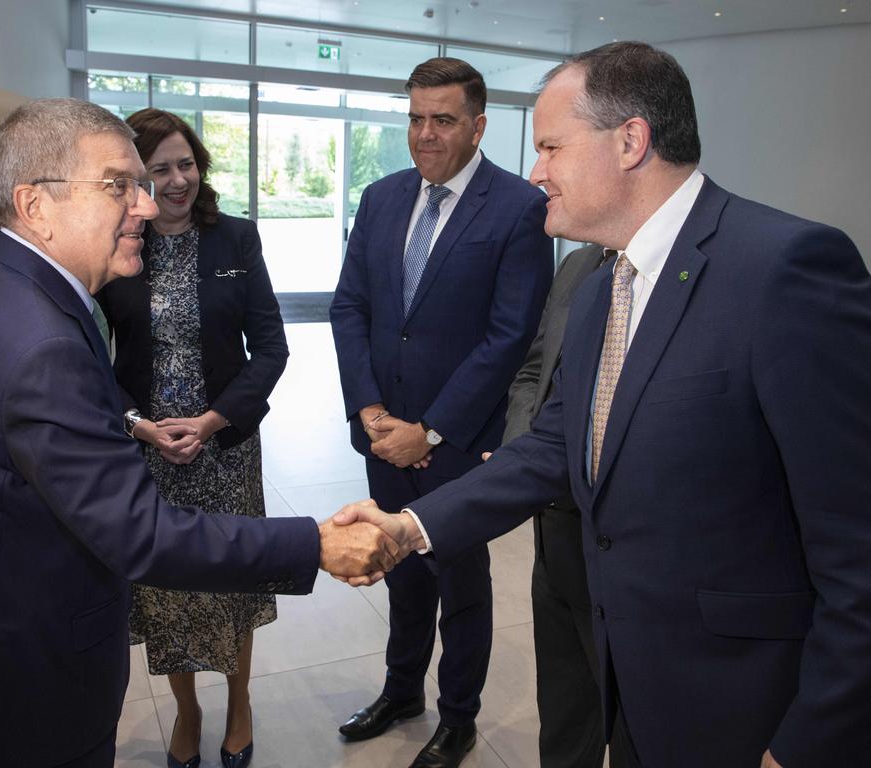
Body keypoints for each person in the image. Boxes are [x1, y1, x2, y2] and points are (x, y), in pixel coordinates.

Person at [336, 41, 871, 768]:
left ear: (630, 142)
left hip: (744, 711)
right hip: (629, 677)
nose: (536, 170)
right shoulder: (596, 291)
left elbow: (856, 551)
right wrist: (410, 528)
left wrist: (805, 744)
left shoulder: (785, 270)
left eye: (552, 146)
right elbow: (553, 448)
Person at [0, 97, 398, 768]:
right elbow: (140, 532)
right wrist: (315, 543)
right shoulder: (37, 337)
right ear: (36, 205)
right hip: (30, 673)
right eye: (119, 185)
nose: (144, 203)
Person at [329, 57, 553, 768]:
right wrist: (371, 411)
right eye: (416, 118)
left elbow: (509, 336)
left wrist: (429, 429)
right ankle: (402, 692)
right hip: (382, 432)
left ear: (478, 125)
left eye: (444, 120)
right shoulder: (382, 197)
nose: (425, 135)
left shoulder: (519, 208)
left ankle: (457, 717)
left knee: (460, 583)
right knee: (399, 571)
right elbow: (351, 308)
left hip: (456, 443)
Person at [95, 107, 287, 768]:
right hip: (149, 454)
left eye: (187, 163)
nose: (179, 179)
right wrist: (138, 425)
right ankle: (186, 709)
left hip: (224, 447)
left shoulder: (236, 239)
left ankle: (238, 704)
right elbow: (88, 358)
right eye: (160, 168)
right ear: (134, 180)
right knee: (168, 588)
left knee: (232, 581)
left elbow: (270, 348)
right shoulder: (116, 245)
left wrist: (211, 421)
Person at [502, 244, 629, 768]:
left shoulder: (759, 265)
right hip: (554, 537)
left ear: (628, 153)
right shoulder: (580, 266)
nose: (537, 174)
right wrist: (522, 455)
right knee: (563, 715)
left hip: (628, 556)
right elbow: (535, 372)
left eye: (554, 154)